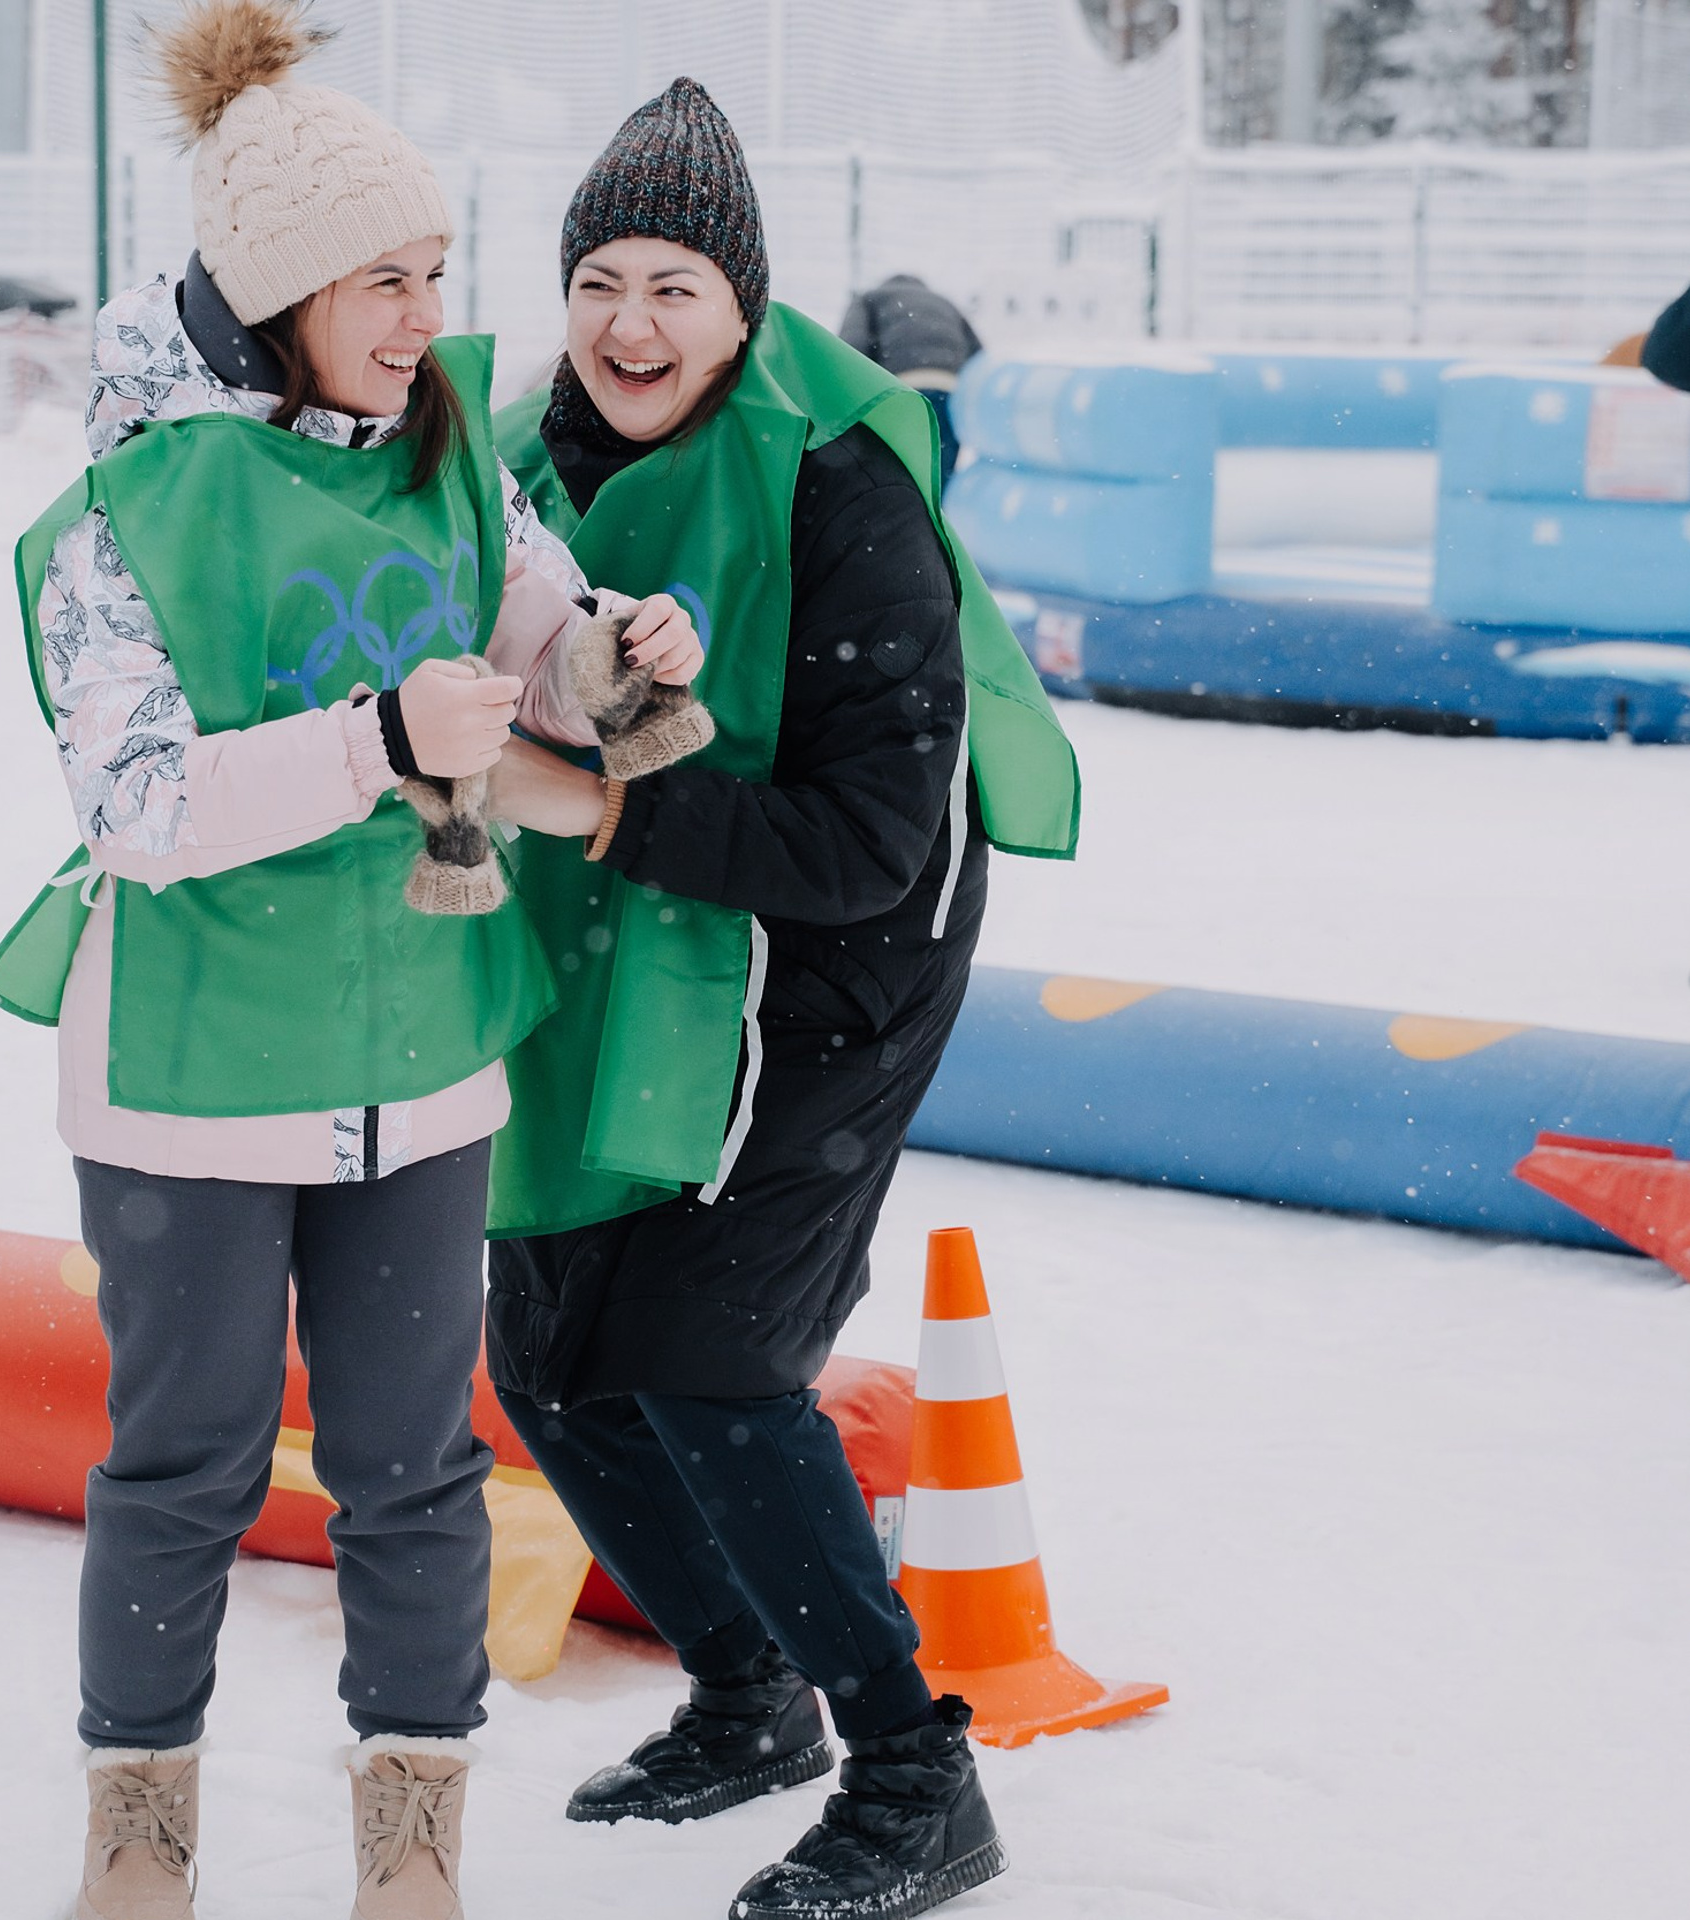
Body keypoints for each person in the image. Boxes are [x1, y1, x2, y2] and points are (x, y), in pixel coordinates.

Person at [0, 9, 699, 1918]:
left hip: (420, 1054)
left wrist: (628, 653)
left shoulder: (455, 455)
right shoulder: (126, 515)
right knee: (186, 1466)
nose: (420, 311)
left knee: (413, 1469)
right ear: (281, 289)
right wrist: (384, 740)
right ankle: (141, 1827)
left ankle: (413, 1837)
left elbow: (553, 645)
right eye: (386, 277)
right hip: (196, 1070)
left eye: (437, 270)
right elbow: (139, 802)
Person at [480, 79, 1080, 1920]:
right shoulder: (516, 460)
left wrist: (596, 799)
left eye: (676, 284)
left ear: (744, 306)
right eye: (599, 278)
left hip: (829, 975)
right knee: (553, 1358)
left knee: (715, 1363)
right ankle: (748, 1697)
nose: (630, 325)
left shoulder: (841, 493)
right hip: (603, 950)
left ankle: (917, 1772)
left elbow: (870, 846)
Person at [838, 273, 984, 477]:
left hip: (899, 391)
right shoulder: (944, 302)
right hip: (949, 393)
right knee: (939, 475)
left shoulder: (870, 299)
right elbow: (979, 355)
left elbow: (851, 350)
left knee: (898, 477)